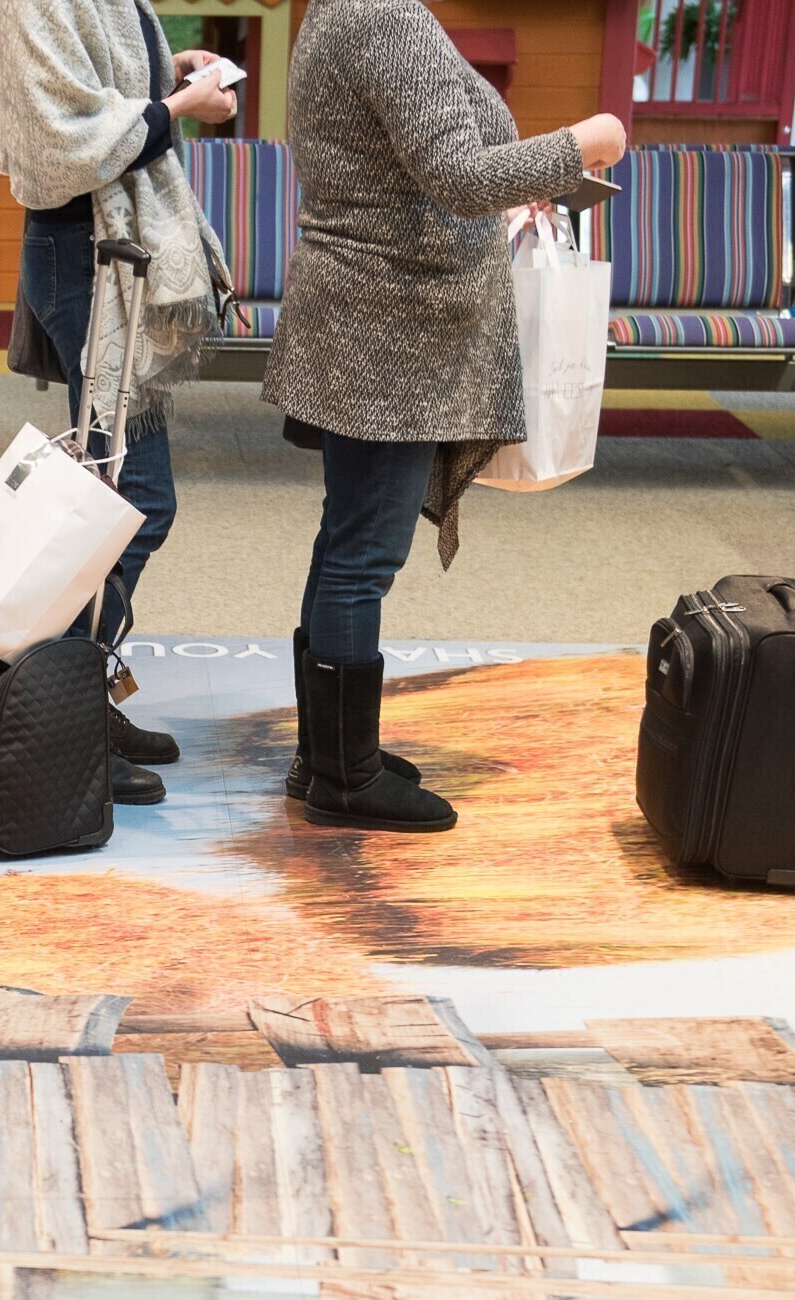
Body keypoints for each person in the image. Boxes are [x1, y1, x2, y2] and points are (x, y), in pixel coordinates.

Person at [262, 0, 622, 832]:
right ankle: (344, 777)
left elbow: (426, 166)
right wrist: (583, 142)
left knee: (346, 540)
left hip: (373, 315)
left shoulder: (345, 11)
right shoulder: (386, 15)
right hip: (392, 325)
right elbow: (459, 178)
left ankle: (327, 755)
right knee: (362, 556)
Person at [0, 0, 239, 805]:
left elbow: (96, 86)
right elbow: (64, 138)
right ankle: (53, 709)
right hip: (85, 251)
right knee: (131, 502)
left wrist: (171, 73)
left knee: (109, 497)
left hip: (106, 249)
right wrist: (180, 106)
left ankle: (77, 699)